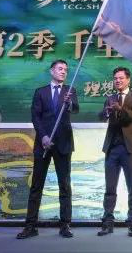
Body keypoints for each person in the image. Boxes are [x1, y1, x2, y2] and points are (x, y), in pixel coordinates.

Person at [17, 59, 80, 239]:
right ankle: (30, 226)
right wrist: (43, 136)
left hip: (63, 144)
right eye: (60, 69)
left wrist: (69, 103)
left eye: (65, 69)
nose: (63, 72)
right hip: (43, 143)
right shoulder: (41, 92)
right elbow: (35, 116)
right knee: (36, 185)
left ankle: (65, 225)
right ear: (52, 71)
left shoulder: (70, 91)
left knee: (64, 185)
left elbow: (76, 109)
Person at [97, 66, 132, 237]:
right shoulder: (110, 98)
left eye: (121, 78)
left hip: (130, 149)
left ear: (128, 80)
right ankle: (107, 223)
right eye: (115, 78)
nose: (118, 81)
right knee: (110, 188)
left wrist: (118, 109)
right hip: (112, 149)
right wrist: (106, 111)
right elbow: (101, 118)